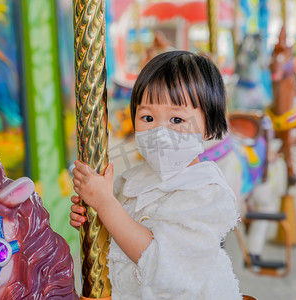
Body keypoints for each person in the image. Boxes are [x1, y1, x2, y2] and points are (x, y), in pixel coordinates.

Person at [70, 51, 242, 299]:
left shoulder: (206, 193)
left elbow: (165, 264)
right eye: (148, 117)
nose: (160, 131)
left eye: (176, 119)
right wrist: (93, 216)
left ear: (209, 127)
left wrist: (106, 206)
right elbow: (118, 235)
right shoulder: (132, 180)